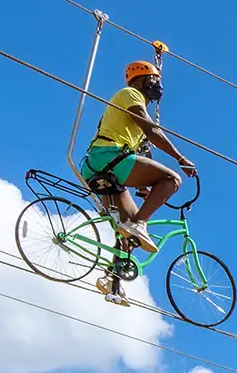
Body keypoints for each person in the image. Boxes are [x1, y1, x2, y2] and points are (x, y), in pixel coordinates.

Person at [81, 60, 198, 256]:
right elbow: (151, 130)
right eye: (152, 78)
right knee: (172, 180)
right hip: (110, 157)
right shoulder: (130, 94)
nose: (156, 84)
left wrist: (144, 187)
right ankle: (140, 224)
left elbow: (143, 153)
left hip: (97, 166)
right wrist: (180, 158)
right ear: (138, 81)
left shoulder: (131, 109)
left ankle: (113, 276)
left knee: (129, 231)